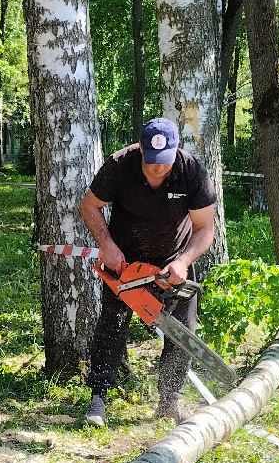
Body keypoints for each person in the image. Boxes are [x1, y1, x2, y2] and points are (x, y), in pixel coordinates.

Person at [79, 116, 217, 427]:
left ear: (176, 150)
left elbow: (205, 227)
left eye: (165, 162)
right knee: (111, 325)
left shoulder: (191, 171)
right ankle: (98, 397)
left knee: (182, 331)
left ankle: (170, 400)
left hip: (173, 264)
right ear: (141, 149)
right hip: (125, 265)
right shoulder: (119, 166)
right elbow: (89, 206)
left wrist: (183, 261)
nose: (158, 168)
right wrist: (107, 245)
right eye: (152, 162)